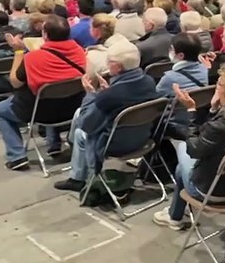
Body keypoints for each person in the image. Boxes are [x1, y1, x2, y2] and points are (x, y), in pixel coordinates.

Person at [153, 64, 225, 230]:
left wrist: (192, 111)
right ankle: (174, 215)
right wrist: (214, 108)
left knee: (181, 155)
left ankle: (174, 216)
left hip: (213, 193)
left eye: (220, 84)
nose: (216, 86)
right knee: (185, 163)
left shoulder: (221, 126)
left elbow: (194, 149)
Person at [52, 40, 159, 193]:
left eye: (109, 62)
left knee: (79, 132)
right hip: (143, 138)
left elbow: (87, 125)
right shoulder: (148, 81)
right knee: (78, 114)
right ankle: (74, 155)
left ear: (117, 66)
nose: (107, 65)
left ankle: (77, 178)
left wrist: (91, 95)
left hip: (114, 144)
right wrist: (105, 93)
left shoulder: (109, 96)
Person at [0, 15, 89, 171]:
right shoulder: (80, 51)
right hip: (73, 108)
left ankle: (16, 156)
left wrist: (18, 52)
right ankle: (54, 144)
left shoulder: (33, 58)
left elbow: (15, 82)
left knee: (0, 110)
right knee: (55, 93)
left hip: (40, 112)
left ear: (45, 35)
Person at [156, 33, 209, 123]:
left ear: (181, 55)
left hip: (176, 121)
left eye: (171, 49)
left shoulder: (169, 78)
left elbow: (156, 101)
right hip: (199, 117)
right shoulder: (204, 69)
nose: (169, 51)